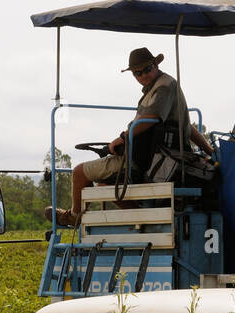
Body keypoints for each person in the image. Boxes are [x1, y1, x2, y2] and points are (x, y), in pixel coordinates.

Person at [44, 47, 214, 228]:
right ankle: (144, 219)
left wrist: (122, 138)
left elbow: (151, 119)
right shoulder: (162, 88)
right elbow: (186, 126)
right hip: (154, 157)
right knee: (103, 186)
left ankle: (74, 217)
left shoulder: (164, 86)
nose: (143, 76)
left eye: (147, 70)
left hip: (150, 160)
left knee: (79, 172)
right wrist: (210, 150)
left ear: (155, 64)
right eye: (138, 73)